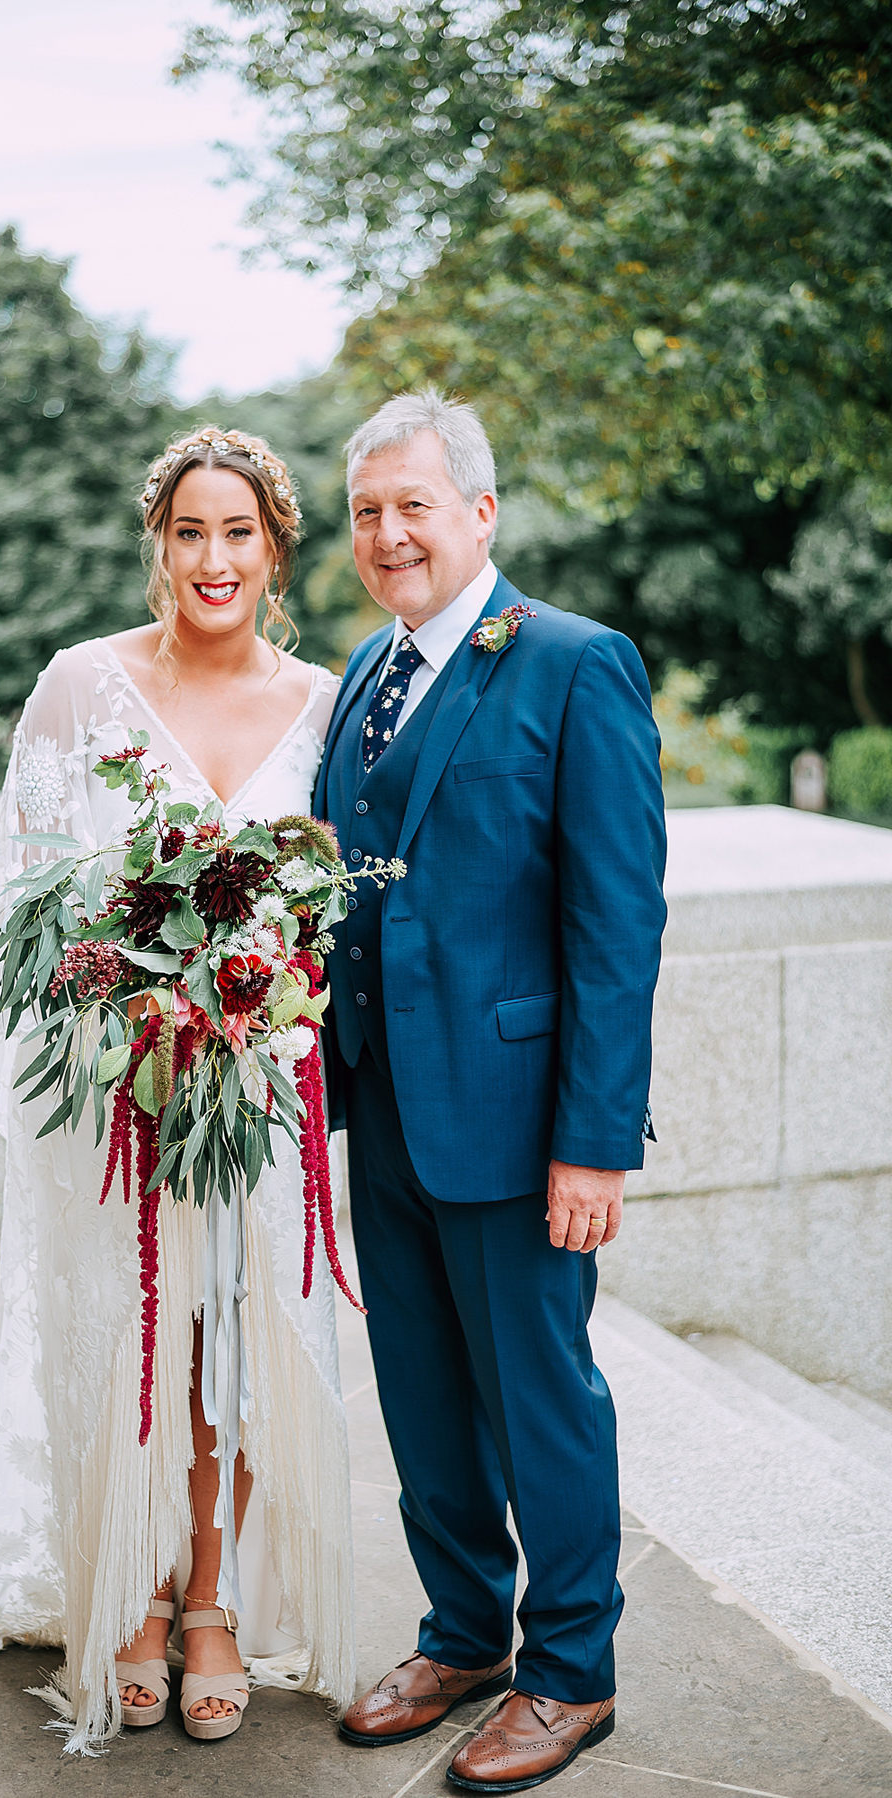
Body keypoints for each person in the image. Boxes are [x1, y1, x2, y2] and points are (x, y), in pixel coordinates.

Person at [0, 427, 355, 1752]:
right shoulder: (80, 689)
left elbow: (343, 910)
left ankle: (212, 1601)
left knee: (236, 1348)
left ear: (275, 546)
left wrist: (258, 1003)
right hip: (118, 1094)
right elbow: (27, 899)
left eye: (237, 533)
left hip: (259, 1087)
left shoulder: (326, 701)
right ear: (158, 544)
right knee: (136, 1338)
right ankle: (130, 1592)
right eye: (189, 532)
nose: (212, 558)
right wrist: (131, 1011)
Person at [314, 390, 666, 1792]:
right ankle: (461, 1629)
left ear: (479, 512)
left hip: (521, 1124)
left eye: (414, 504)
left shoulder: (578, 666)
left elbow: (615, 925)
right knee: (422, 1390)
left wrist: (594, 1141)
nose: (390, 534)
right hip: (382, 1104)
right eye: (367, 514)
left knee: (539, 1397)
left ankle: (572, 1667)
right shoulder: (363, 673)